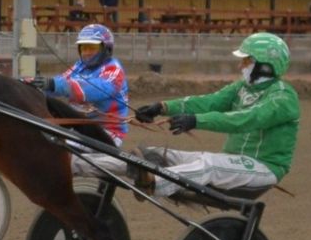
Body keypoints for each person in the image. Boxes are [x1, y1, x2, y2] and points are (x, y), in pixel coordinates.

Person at [126, 32, 300, 199]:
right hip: (233, 161)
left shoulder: (283, 97)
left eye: (246, 61)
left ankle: (154, 184)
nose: (241, 65)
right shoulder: (241, 87)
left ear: (265, 65)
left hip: (264, 167)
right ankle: (103, 167)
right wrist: (162, 107)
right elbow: (209, 102)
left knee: (208, 165)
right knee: (161, 155)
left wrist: (195, 120)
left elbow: (245, 119)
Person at [36, 24, 129, 175]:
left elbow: (95, 90)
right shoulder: (79, 67)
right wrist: (33, 85)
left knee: (55, 157)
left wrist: (54, 84)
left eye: (91, 48)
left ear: (106, 48)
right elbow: (60, 81)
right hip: (80, 127)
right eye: (83, 48)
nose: (86, 53)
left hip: (106, 132)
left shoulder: (113, 69)